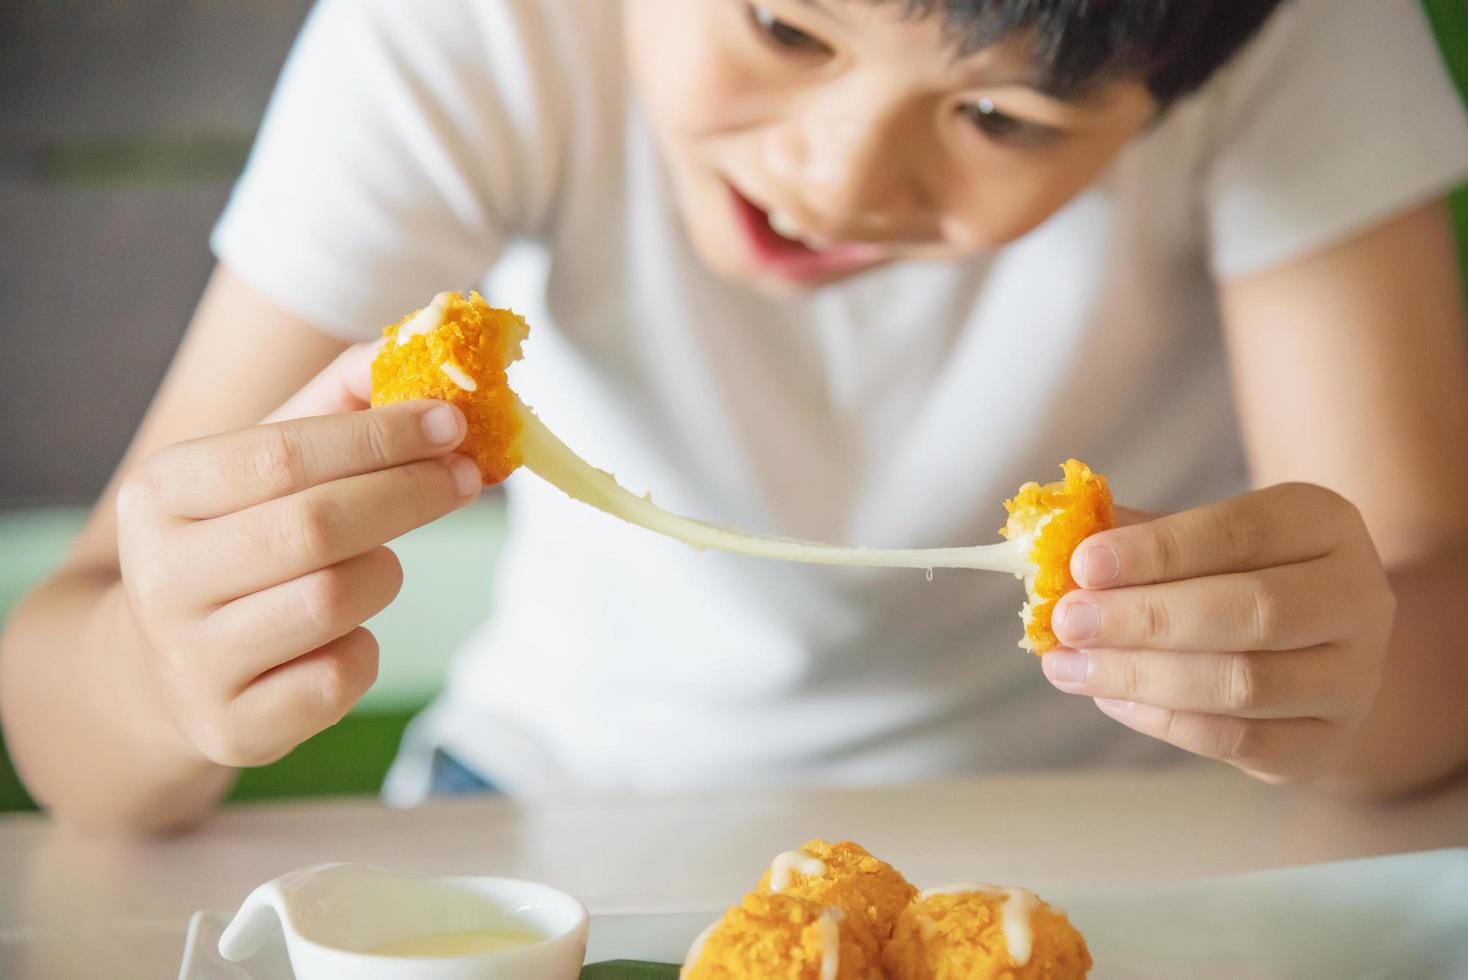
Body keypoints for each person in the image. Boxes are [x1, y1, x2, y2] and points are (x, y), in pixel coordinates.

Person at [2, 0, 1466, 835]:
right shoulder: (478, 33)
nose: (837, 177)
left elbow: (1430, 636)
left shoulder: (1289, 27)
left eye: (1005, 121)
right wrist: (154, 667)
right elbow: (70, 720)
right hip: (543, 808)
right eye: (784, 24)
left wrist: (1343, 675)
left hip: (1110, 826)